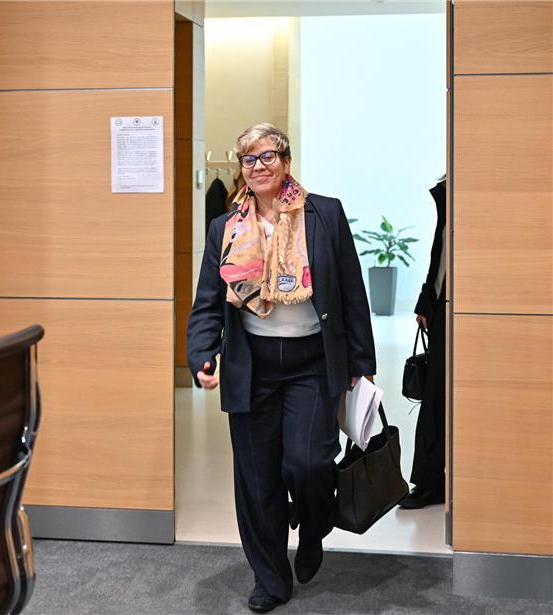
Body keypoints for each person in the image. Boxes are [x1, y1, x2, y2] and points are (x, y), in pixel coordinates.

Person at [187, 123, 376, 612]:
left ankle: (314, 525)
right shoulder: (225, 228)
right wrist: (202, 354)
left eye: (268, 156)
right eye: (249, 159)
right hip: (252, 367)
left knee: (309, 463)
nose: (258, 167)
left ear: (286, 161)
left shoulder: (324, 214)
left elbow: (351, 291)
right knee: (258, 480)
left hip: (311, 363)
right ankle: (270, 578)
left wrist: (362, 362)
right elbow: (208, 302)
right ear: (242, 169)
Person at [400, 177, 447, 509]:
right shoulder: (448, 194)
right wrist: (426, 299)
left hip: (470, 309)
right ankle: (430, 482)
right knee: (434, 396)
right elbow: (440, 251)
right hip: (444, 308)